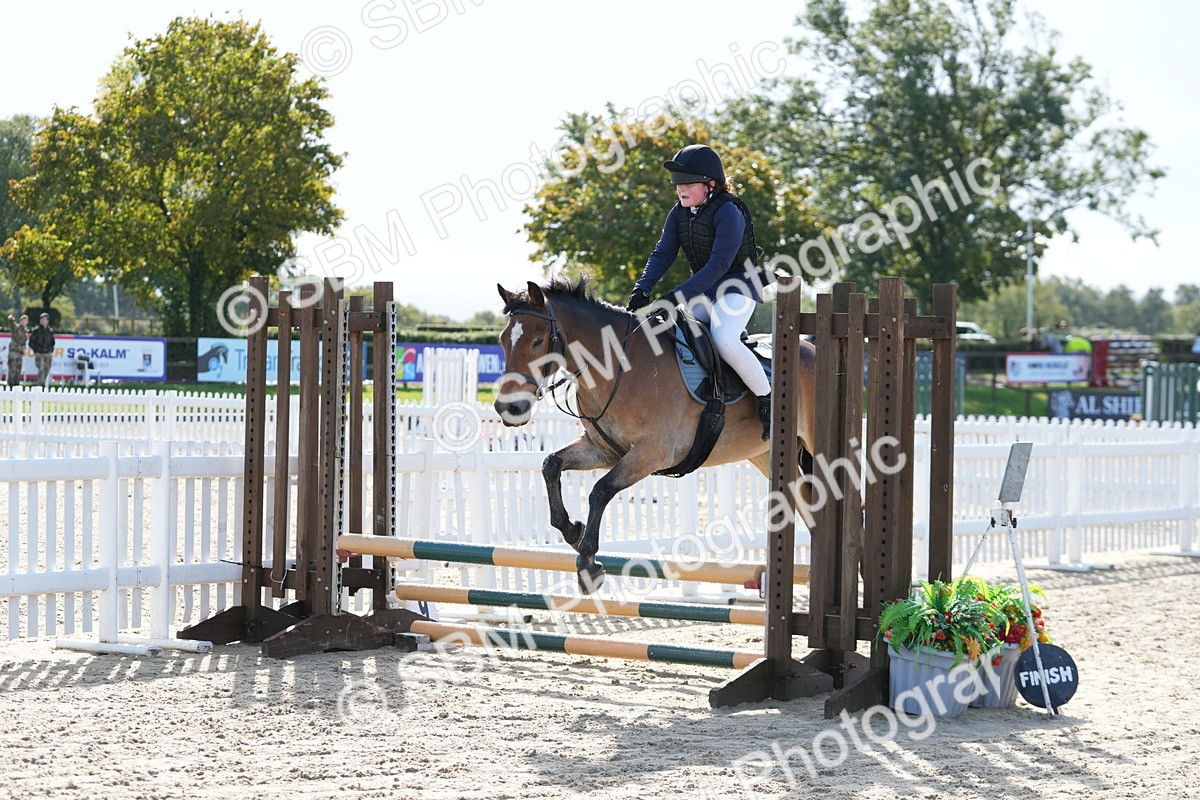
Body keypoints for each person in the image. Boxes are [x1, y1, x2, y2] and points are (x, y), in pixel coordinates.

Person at [627, 144, 774, 439]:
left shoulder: (729, 211)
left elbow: (719, 264)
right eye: (677, 185)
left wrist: (675, 296)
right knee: (670, 330)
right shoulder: (679, 213)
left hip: (737, 286)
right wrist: (642, 287)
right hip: (706, 290)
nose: (680, 190)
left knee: (724, 339)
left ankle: (768, 401)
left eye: (687, 184)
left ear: (710, 184)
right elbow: (663, 254)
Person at [29, 312, 55, 387]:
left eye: (44, 319)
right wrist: (36, 351)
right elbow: (31, 343)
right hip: (39, 353)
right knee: (41, 369)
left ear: (47, 320)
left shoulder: (50, 331)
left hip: (48, 353)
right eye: (41, 319)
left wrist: (50, 350)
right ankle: (41, 385)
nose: (42, 320)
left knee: (47, 369)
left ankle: (42, 383)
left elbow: (52, 342)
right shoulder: (36, 330)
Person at [6, 312, 29, 387]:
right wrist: (11, 318)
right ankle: (10, 387)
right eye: (22, 320)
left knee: (18, 371)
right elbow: (11, 323)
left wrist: (23, 348)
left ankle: (16, 387)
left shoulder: (25, 332)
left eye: (24, 320)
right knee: (12, 370)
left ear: (27, 322)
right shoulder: (16, 328)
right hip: (13, 351)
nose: (23, 321)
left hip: (19, 353)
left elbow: (24, 342)